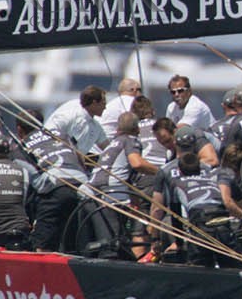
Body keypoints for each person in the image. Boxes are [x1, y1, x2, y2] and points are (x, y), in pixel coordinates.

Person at [84, 112, 159, 259]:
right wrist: (161, 172)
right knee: (113, 245)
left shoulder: (112, 144)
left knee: (101, 241)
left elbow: (124, 174)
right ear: (137, 129)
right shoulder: (131, 140)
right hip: (111, 195)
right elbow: (136, 163)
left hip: (90, 193)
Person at [21, 123, 88, 253]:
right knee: (74, 237)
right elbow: (81, 160)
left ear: (19, 130)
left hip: (56, 187)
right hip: (82, 185)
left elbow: (27, 173)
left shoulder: (22, 144)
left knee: (42, 240)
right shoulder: (60, 134)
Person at [44, 86, 107, 156]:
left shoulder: (97, 127)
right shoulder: (69, 116)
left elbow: (107, 148)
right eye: (103, 103)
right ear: (94, 103)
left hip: (76, 164)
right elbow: (47, 132)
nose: (105, 107)